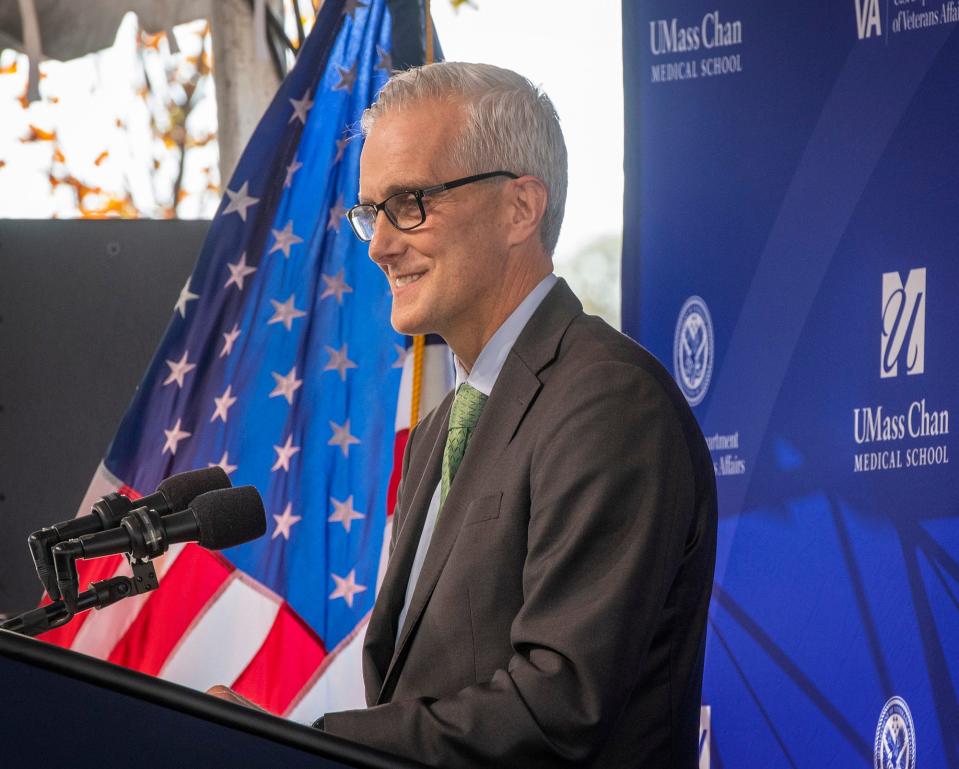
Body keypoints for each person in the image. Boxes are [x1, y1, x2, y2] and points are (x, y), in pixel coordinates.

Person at [218, 62, 717, 768]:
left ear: (520, 208)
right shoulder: (441, 426)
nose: (382, 244)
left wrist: (303, 744)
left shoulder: (607, 401)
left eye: (411, 202)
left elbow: (558, 706)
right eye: (371, 211)